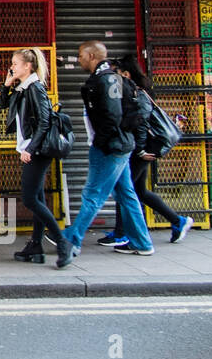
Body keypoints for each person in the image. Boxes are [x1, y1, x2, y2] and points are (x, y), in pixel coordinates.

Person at [56, 40, 154, 267]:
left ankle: (72, 240)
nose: (79, 59)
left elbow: (112, 116)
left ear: (91, 56)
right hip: (121, 146)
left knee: (93, 195)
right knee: (126, 195)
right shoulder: (112, 77)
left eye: (81, 55)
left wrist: (101, 143)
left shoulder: (105, 79)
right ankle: (142, 242)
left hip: (110, 148)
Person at [105, 55, 194, 246]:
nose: (112, 78)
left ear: (126, 74)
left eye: (115, 73)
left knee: (124, 189)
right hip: (142, 150)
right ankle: (178, 221)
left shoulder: (138, 94)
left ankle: (122, 233)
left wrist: (140, 151)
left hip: (142, 151)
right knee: (139, 191)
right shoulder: (132, 93)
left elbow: (141, 123)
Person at [0, 48, 66, 264]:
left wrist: (30, 149)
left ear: (28, 66)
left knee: (29, 198)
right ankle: (35, 246)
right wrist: (7, 85)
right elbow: (2, 105)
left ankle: (63, 243)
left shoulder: (35, 88)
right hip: (30, 149)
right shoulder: (23, 88)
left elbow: (45, 122)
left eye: (15, 64)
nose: (12, 67)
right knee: (37, 198)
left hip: (36, 151)